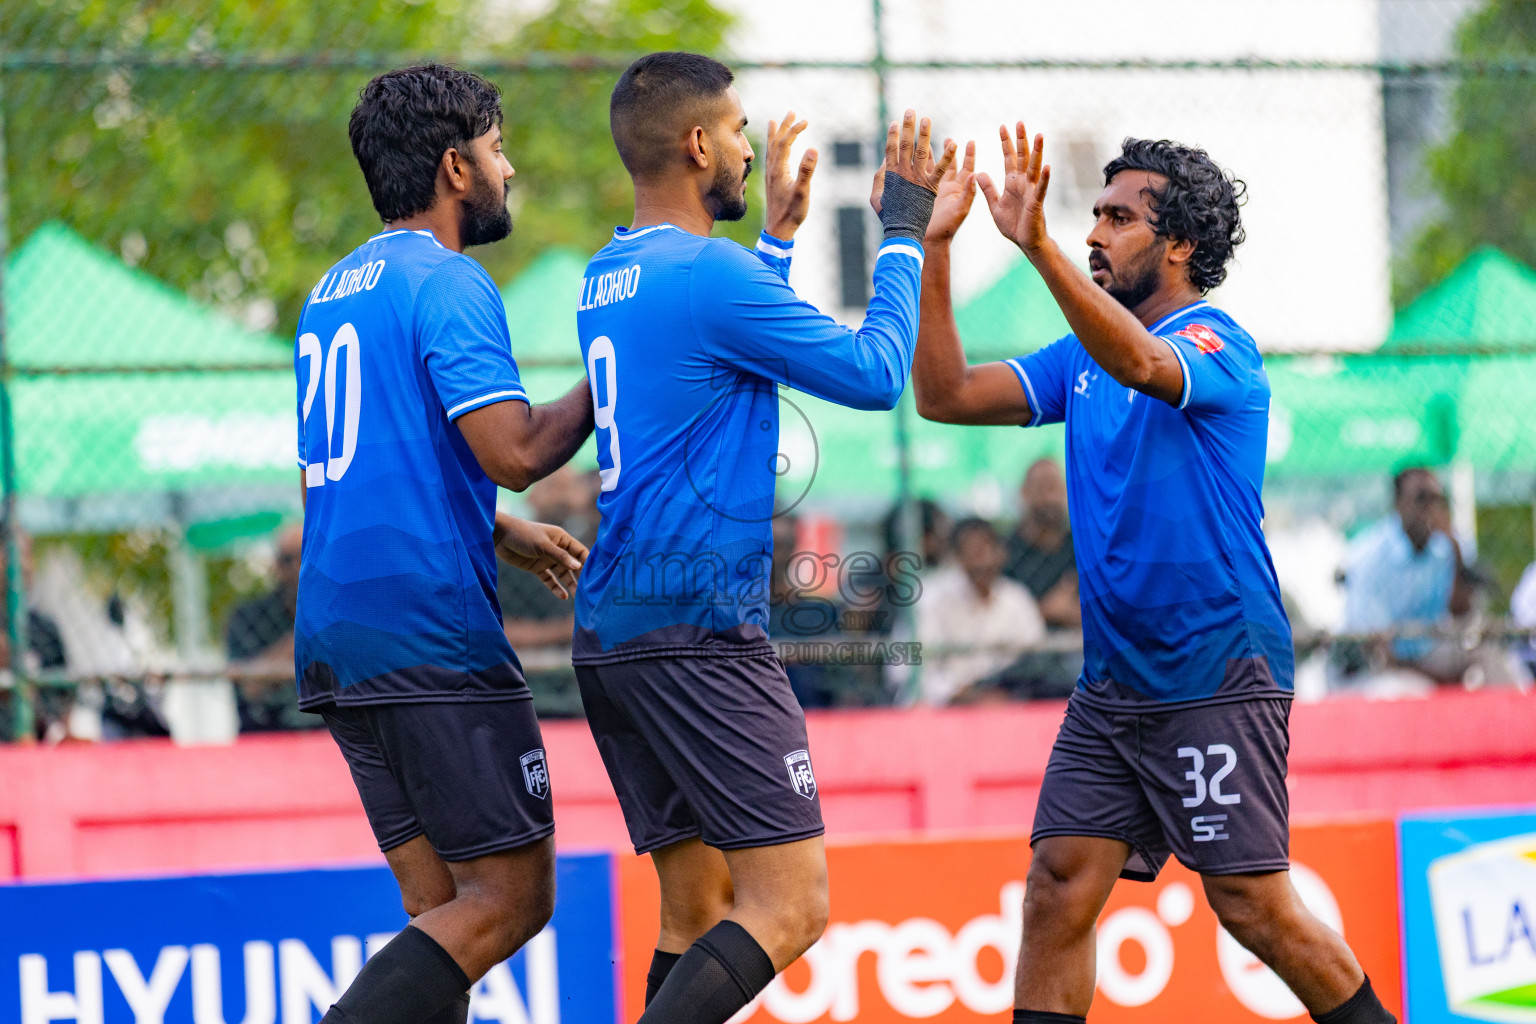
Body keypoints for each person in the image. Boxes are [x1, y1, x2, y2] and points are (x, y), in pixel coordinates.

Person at [911, 129, 1395, 1024]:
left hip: (1214, 670)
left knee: (1252, 906)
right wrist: (933, 247)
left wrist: (1038, 247)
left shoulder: (1217, 341)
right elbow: (945, 395)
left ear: (1180, 245)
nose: (1095, 231)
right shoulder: (1080, 358)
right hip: (1114, 685)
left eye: (1119, 218)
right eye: (1094, 215)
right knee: (1057, 886)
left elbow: (1139, 362)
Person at [573, 51, 949, 1024]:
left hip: (615, 631)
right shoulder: (709, 274)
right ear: (699, 145)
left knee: (696, 910)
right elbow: (875, 374)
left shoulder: (611, 273)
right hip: (697, 631)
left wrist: (776, 239)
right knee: (792, 905)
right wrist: (901, 232)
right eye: (739, 131)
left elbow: (719, 352)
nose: (751, 149)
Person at [297, 65, 594, 1024]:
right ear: (455, 167)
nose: (510, 169)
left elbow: (351, 472)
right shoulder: (450, 278)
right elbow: (516, 452)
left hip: (338, 635)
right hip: (429, 630)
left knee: (441, 918)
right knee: (513, 897)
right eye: (499, 150)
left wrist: (496, 530)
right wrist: (614, 371)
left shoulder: (331, 290)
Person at [1337, 467, 1482, 687]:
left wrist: (1456, 552)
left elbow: (1462, 614)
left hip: (1429, 654)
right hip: (1374, 669)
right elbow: (1377, 650)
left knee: (1489, 658)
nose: (1431, 508)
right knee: (1402, 689)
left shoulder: (1446, 547)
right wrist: (1439, 681)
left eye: (1437, 499)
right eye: (1421, 499)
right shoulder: (1370, 556)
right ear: (1398, 504)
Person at [497, 467, 600, 717]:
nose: (564, 498)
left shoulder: (588, 553)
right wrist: (562, 630)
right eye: (553, 487)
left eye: (570, 488)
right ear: (531, 496)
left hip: (578, 685)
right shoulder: (505, 560)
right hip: (522, 682)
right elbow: (498, 630)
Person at [914, 517, 1043, 704]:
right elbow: (910, 671)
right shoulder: (932, 599)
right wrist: (964, 695)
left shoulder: (1016, 599)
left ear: (1002, 553)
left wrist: (1001, 694)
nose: (982, 561)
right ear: (956, 557)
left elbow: (1036, 658)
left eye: (987, 549)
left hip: (1008, 700)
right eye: (972, 552)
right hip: (949, 705)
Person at [226, 524, 320, 732]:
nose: (298, 567)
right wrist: (308, 634)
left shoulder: (340, 612)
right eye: (288, 560)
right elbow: (250, 687)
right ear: (276, 566)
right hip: (269, 726)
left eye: (305, 556)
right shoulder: (249, 617)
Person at [1004, 458, 1078, 629]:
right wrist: (1044, 611)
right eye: (1043, 488)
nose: (1051, 498)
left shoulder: (1080, 548)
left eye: (1056, 488)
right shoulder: (1006, 552)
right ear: (1024, 493)